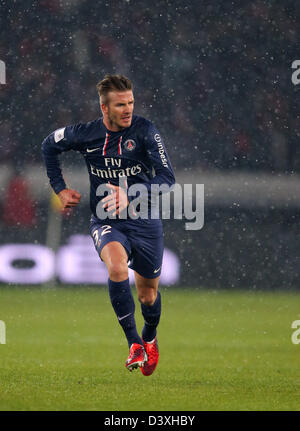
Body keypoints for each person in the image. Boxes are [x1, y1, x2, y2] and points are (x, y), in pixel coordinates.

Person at [42, 74, 175, 375]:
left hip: (144, 220)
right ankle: (133, 344)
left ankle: (149, 337)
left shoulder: (146, 131)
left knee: (147, 295)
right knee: (116, 268)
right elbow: (49, 145)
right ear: (104, 108)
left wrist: (132, 193)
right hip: (106, 221)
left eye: (130, 102)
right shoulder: (85, 134)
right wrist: (59, 187)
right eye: (120, 105)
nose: (127, 109)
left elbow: (168, 178)